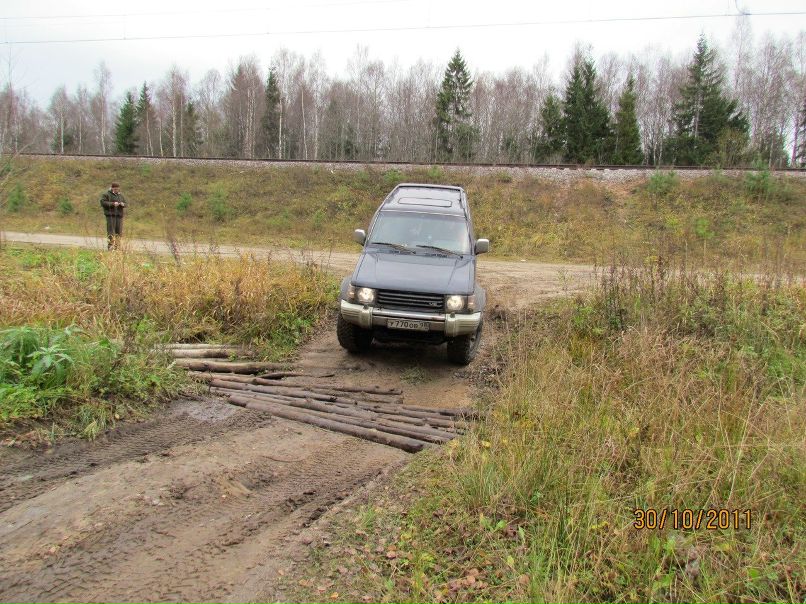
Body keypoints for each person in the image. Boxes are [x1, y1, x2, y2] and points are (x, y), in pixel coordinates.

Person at [99, 182, 127, 250]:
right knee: (111, 231)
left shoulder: (120, 195)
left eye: (117, 189)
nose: (116, 190)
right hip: (110, 215)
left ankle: (117, 246)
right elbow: (103, 202)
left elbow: (126, 203)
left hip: (119, 216)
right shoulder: (106, 194)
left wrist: (123, 204)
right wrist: (113, 204)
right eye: (115, 189)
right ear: (112, 188)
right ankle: (110, 246)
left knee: (119, 232)